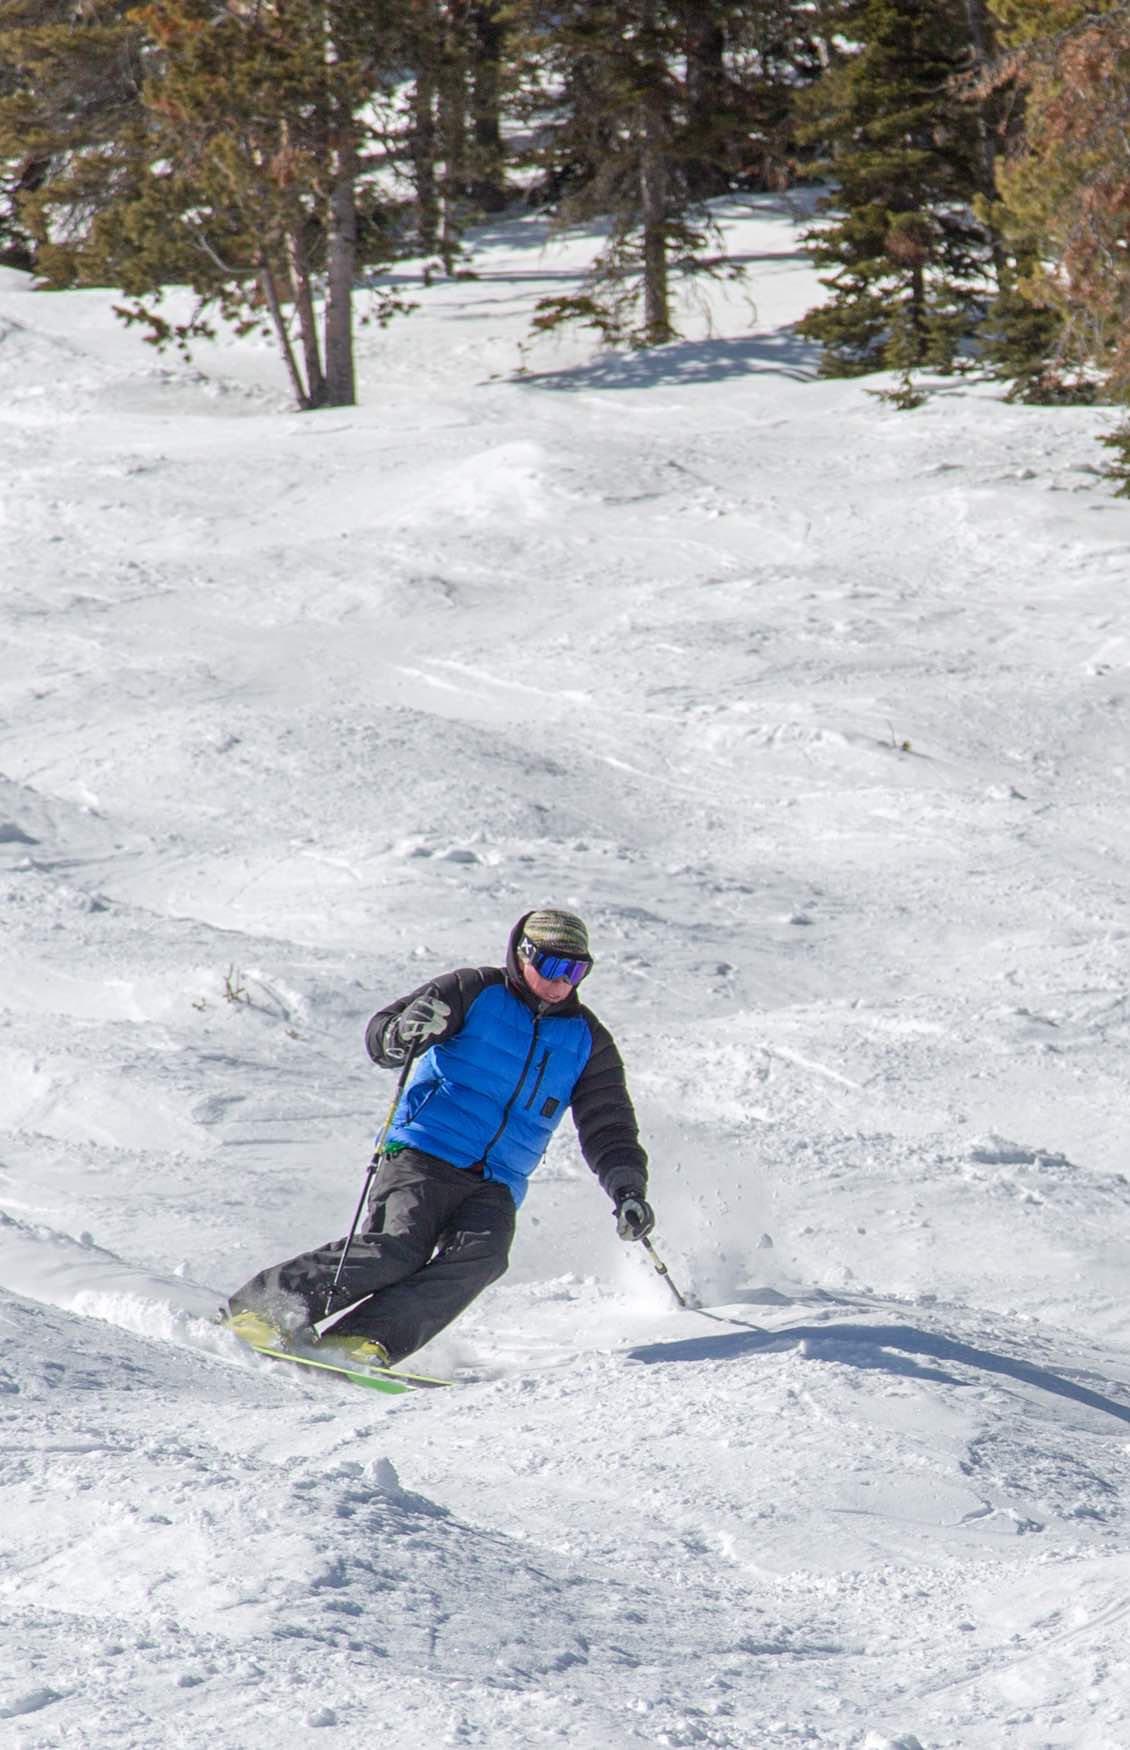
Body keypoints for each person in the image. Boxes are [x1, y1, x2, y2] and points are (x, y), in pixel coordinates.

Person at [225, 909, 654, 1369]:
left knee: (484, 1256)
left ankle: (358, 1341)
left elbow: (608, 1125)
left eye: (576, 970)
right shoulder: (473, 991)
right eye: (552, 966)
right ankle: (263, 1307)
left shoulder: (588, 1041)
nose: (562, 981)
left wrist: (627, 1188)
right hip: (425, 1151)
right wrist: (403, 1032)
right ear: (523, 954)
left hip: (498, 1179)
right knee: (398, 1247)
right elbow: (382, 1035)